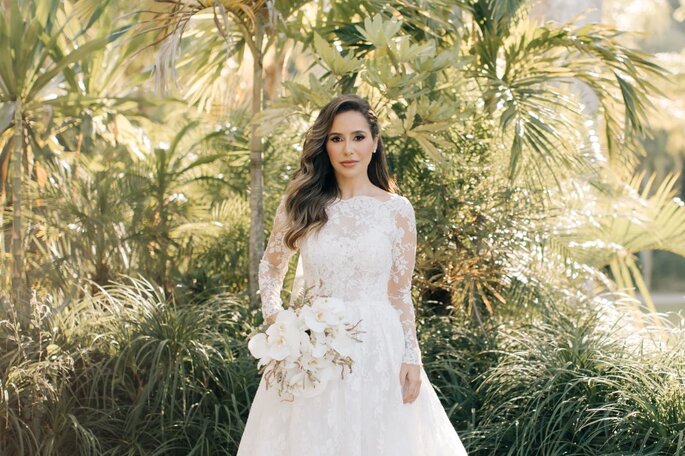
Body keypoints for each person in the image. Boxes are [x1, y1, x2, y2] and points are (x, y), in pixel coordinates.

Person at [236, 94, 467, 455]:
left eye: (358, 137)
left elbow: (399, 293)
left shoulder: (397, 211)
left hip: (379, 347)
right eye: (336, 138)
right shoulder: (302, 204)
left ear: (375, 143)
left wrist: (412, 355)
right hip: (313, 351)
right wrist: (278, 321)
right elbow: (272, 265)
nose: (348, 149)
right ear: (324, 145)